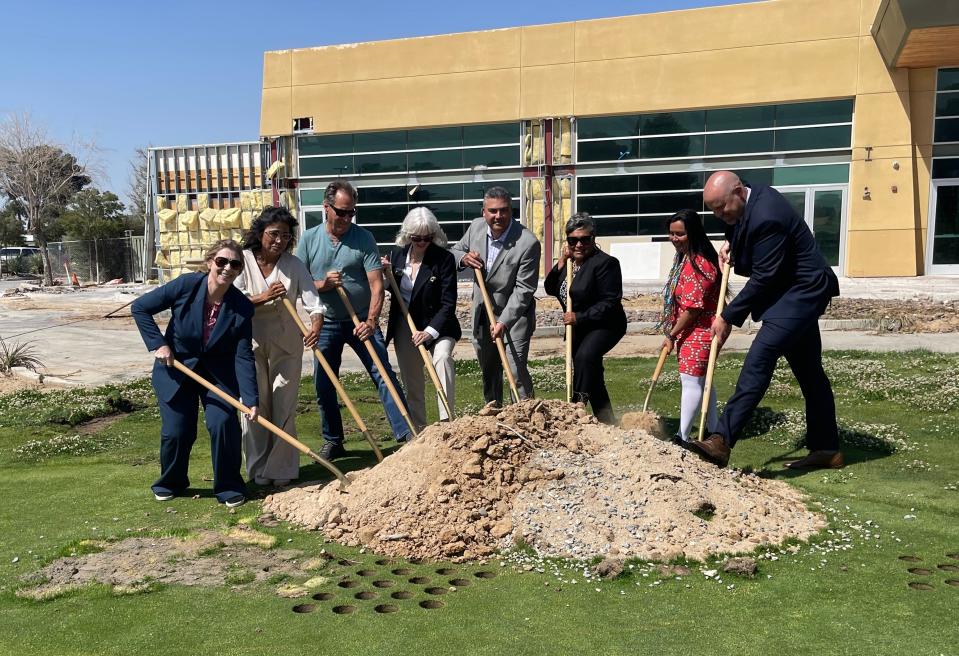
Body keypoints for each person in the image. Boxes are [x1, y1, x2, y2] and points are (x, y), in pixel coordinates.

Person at [688, 170, 842, 470]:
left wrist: (728, 317)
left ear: (738, 191)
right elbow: (741, 227)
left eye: (721, 207)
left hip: (802, 292)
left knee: (760, 358)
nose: (719, 215)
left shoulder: (768, 214)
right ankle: (827, 449)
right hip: (789, 294)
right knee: (811, 374)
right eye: (714, 210)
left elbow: (765, 276)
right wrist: (730, 242)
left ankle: (721, 440)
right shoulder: (751, 200)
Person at [131, 240, 256, 508]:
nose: (227, 268)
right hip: (175, 369)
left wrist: (249, 397)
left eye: (235, 264)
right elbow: (140, 308)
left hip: (217, 376)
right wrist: (159, 344)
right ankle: (170, 482)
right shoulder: (186, 285)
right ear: (210, 262)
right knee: (177, 431)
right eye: (222, 261)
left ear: (239, 270)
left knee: (223, 423)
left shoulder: (242, 306)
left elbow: (243, 354)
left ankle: (229, 485)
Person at [296, 180, 412, 459]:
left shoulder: (364, 238)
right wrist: (322, 284)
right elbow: (299, 283)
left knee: (383, 373)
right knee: (324, 382)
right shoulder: (309, 239)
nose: (347, 218)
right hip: (325, 322)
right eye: (341, 212)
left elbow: (376, 285)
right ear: (326, 208)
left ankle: (405, 433)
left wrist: (371, 321)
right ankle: (333, 440)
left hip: (360, 319)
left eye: (352, 213)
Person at [235, 207, 327, 487]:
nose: (279, 240)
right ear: (260, 233)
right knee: (254, 405)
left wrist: (315, 325)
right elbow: (231, 301)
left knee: (283, 402)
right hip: (249, 344)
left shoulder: (294, 265)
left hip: (287, 344)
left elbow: (314, 302)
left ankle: (283, 469)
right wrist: (263, 296)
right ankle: (258, 469)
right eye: (274, 234)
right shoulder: (242, 260)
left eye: (286, 236)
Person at [451, 186, 541, 404]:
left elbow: (524, 290)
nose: (498, 216)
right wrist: (463, 259)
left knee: (515, 371)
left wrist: (503, 321)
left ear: (511, 211)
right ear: (484, 212)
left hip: (514, 318)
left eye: (503, 210)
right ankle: (494, 417)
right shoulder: (475, 228)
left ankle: (526, 417)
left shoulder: (527, 243)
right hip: (483, 315)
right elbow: (453, 252)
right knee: (489, 373)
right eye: (492, 211)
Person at [544, 212, 626, 423]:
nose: (579, 244)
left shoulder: (605, 263)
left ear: (593, 238)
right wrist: (562, 261)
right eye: (573, 240)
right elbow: (550, 287)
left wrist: (578, 317)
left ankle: (575, 408)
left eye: (585, 239)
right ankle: (607, 420)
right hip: (579, 327)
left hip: (605, 325)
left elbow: (610, 302)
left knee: (584, 358)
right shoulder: (570, 264)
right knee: (592, 374)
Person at [383, 207, 460, 430]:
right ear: (408, 234)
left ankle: (447, 423)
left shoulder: (444, 259)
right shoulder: (397, 255)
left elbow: (448, 303)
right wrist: (385, 273)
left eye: (427, 237)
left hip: (439, 324)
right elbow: (388, 288)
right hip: (406, 325)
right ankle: (418, 431)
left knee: (442, 358)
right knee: (413, 381)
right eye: (417, 237)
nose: (422, 242)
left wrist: (429, 331)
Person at [657, 209, 720, 443]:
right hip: (690, 329)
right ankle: (714, 430)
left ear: (693, 233)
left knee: (692, 381)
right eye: (671, 234)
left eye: (680, 234)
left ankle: (681, 436)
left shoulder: (698, 263)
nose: (675, 239)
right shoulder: (683, 258)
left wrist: (671, 335)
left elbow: (693, 308)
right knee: (703, 380)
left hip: (702, 329)